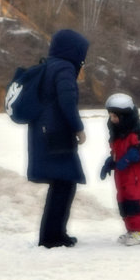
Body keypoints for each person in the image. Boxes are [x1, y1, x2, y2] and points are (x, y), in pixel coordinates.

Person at [28, 28, 88, 248]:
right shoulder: (64, 68)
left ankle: (53, 234)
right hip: (57, 137)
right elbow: (67, 101)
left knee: (60, 185)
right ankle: (52, 237)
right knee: (64, 184)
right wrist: (78, 128)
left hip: (44, 134)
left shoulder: (48, 66)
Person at [99, 92, 140, 246]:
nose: (112, 119)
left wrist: (129, 157)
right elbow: (115, 152)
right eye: (111, 116)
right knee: (123, 201)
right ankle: (132, 230)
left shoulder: (135, 131)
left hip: (134, 174)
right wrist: (109, 163)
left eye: (115, 116)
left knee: (134, 200)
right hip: (121, 174)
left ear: (125, 116)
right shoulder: (117, 132)